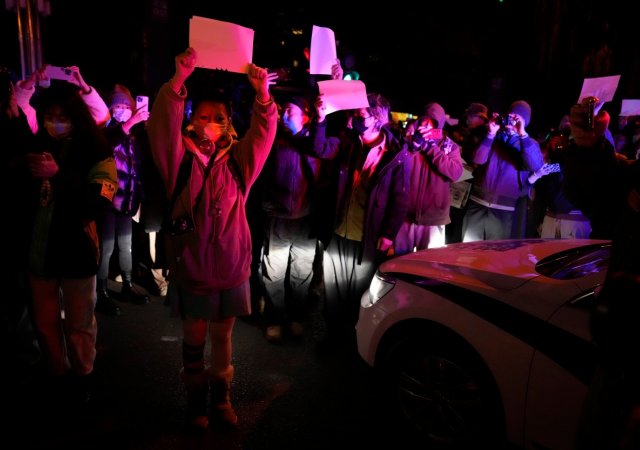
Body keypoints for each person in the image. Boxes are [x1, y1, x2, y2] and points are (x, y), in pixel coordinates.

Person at [146, 47, 277, 431]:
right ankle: (195, 402)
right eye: (203, 117)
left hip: (231, 266)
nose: (211, 124)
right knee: (194, 336)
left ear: (229, 122)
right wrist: (178, 80)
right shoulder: (179, 158)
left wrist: (263, 95)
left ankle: (221, 399)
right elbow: (161, 125)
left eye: (219, 118)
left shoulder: (239, 160)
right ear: (191, 119)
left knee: (223, 335)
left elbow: (263, 134)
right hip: (193, 266)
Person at [23, 68, 117, 407]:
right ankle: (57, 374)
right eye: (49, 117)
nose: (55, 123)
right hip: (39, 253)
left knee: (79, 324)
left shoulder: (97, 150)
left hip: (78, 252)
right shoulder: (35, 145)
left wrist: (59, 175)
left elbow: (98, 202)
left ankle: (82, 379)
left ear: (77, 117)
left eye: (63, 117)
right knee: (45, 323)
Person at [311, 92, 410, 344]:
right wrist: (320, 120)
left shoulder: (396, 154)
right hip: (338, 230)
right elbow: (320, 148)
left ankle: (354, 339)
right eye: (353, 113)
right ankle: (333, 335)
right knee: (333, 289)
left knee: (359, 291)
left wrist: (388, 234)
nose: (354, 118)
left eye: (361, 115)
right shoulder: (348, 141)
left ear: (377, 119)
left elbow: (400, 199)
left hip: (366, 235)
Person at [95, 84, 150, 316]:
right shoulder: (104, 132)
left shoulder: (135, 135)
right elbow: (107, 146)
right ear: (110, 109)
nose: (123, 110)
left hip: (127, 200)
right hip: (108, 201)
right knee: (106, 247)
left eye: (127, 106)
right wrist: (130, 123)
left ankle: (127, 284)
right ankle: (100, 291)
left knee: (126, 245)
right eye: (118, 106)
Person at [461, 100, 544, 241]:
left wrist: (522, 134)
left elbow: (535, 166)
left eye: (517, 118)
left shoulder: (529, 143)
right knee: (468, 251)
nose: (512, 121)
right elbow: (478, 159)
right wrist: (490, 134)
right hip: (477, 203)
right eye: (510, 116)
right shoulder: (492, 135)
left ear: (524, 122)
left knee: (495, 253)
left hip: (503, 209)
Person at [394, 102, 463, 254]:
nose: (427, 126)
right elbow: (397, 166)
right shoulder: (408, 141)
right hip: (405, 215)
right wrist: (411, 144)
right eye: (424, 121)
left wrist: (431, 148)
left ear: (440, 125)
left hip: (433, 218)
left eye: (432, 123)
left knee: (429, 262)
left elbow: (456, 173)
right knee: (399, 260)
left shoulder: (449, 146)